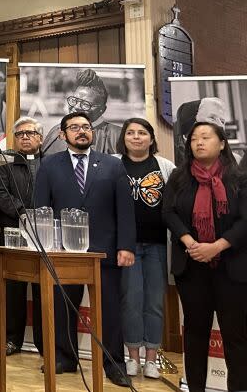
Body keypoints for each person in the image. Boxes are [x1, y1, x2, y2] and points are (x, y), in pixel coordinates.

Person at [35, 111, 135, 387]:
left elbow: (125, 210)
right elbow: (41, 208)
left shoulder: (112, 166)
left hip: (104, 251)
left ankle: (114, 364)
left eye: (86, 127)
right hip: (63, 252)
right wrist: (45, 247)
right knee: (62, 307)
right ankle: (64, 357)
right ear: (62, 134)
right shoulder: (50, 165)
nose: (82, 131)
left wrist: (126, 246)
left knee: (110, 311)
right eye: (75, 127)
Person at [163, 121, 247, 392]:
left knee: (235, 336)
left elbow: (245, 221)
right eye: (195, 138)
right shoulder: (179, 177)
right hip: (192, 266)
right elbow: (168, 213)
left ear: (222, 143)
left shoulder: (239, 178)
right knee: (195, 335)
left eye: (206, 137)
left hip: (231, 267)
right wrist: (191, 243)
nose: (199, 142)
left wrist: (217, 246)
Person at [114, 118, 175, 380]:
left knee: (154, 303)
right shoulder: (113, 165)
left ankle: (152, 358)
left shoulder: (166, 167)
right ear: (124, 138)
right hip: (126, 247)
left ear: (151, 138)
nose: (136, 137)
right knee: (131, 301)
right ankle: (133, 358)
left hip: (159, 245)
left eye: (142, 133)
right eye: (131, 133)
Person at [0, 116, 44, 357]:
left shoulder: (51, 167)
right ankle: (12, 340)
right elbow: (0, 197)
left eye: (30, 133)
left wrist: (40, 216)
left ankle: (46, 343)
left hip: (45, 236)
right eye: (20, 134)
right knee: (13, 289)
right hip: (13, 233)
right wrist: (23, 212)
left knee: (43, 290)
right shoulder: (4, 168)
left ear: (40, 138)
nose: (25, 137)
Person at [41, 69, 122, 155]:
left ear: (102, 109)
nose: (76, 106)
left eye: (85, 104)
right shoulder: (56, 131)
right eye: (74, 100)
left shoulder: (117, 137)